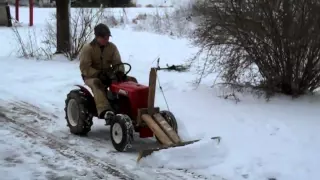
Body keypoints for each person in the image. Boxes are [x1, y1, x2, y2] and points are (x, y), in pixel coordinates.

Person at [79, 23, 137, 121]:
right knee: (97, 83)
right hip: (91, 76)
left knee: (131, 80)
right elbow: (85, 68)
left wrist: (119, 73)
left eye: (108, 37)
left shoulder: (112, 47)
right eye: (104, 38)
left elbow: (117, 62)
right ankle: (105, 110)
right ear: (97, 37)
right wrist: (98, 74)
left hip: (108, 75)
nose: (107, 40)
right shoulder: (88, 49)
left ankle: (132, 107)